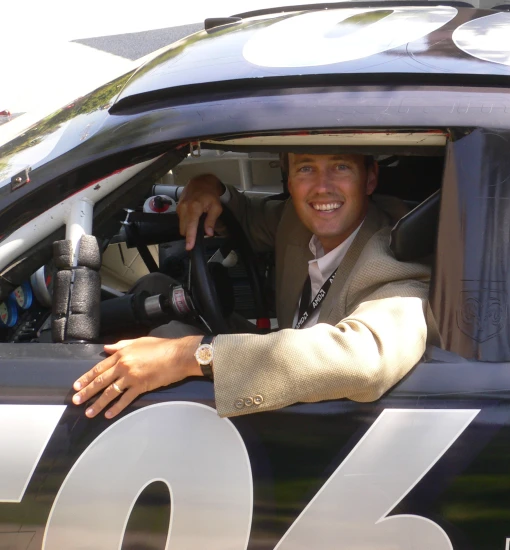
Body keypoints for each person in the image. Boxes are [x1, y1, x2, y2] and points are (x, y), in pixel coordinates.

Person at [71, 153, 435, 419]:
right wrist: (206, 186)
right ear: (289, 181)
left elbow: (363, 361)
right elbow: (240, 213)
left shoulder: (396, 256)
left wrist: (186, 356)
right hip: (284, 374)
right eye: (306, 168)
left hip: (325, 423)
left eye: (341, 167)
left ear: (370, 179)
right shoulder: (297, 220)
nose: (322, 186)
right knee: (155, 286)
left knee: (170, 336)